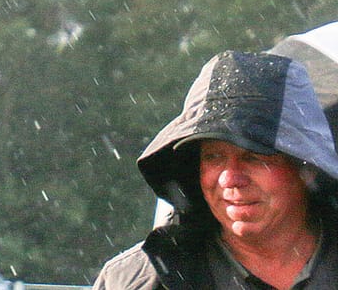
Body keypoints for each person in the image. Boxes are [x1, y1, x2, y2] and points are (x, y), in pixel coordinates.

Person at [95, 50, 338, 290]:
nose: (230, 178)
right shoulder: (132, 282)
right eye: (214, 157)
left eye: (253, 157)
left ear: (308, 167)